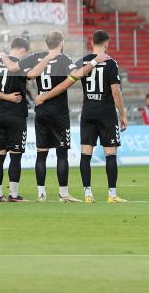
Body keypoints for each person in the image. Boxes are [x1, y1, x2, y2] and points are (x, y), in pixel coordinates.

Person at [21, 31, 102, 202]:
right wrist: (94, 62)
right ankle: (64, 194)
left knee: (41, 154)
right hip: (58, 112)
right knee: (61, 154)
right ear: (61, 43)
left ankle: (41, 194)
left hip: (41, 110)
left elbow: (25, 74)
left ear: (47, 43)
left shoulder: (37, 57)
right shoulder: (64, 59)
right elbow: (78, 75)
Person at [78, 30, 128, 203]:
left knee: (86, 154)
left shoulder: (84, 61)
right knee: (110, 154)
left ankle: (87, 194)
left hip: (88, 113)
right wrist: (123, 114)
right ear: (106, 43)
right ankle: (112, 195)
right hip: (106, 114)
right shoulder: (111, 63)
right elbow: (115, 91)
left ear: (92, 42)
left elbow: (75, 76)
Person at [0, 37, 31, 202]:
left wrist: (3, 97)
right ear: (23, 51)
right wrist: (10, 98)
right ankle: (14, 195)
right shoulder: (22, 64)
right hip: (16, 114)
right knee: (15, 156)